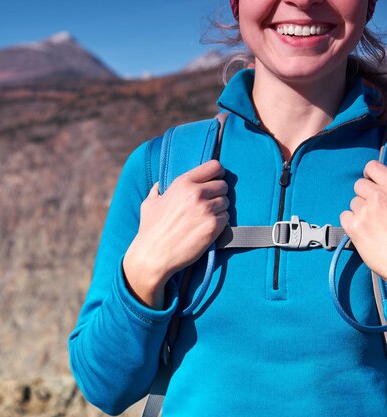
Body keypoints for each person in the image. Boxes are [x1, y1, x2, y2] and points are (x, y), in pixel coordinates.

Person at [68, 0, 387, 416]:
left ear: (370, 5)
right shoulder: (162, 167)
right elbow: (103, 386)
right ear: (237, 5)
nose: (304, 0)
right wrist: (144, 271)